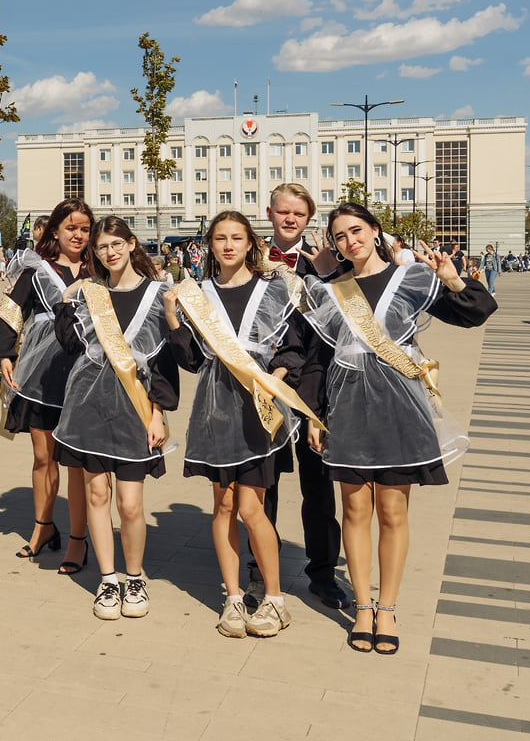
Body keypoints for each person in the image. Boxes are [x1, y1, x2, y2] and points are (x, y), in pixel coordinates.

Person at [304, 203, 496, 654]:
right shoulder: (329, 290)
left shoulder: (411, 278)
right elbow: (315, 359)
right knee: (354, 511)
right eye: (341, 236)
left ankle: (387, 607)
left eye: (357, 231)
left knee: (392, 511)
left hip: (398, 405)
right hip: (347, 405)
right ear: (335, 245)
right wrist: (314, 414)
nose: (350, 241)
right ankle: (363, 605)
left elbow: (475, 312)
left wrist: (451, 276)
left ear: (375, 231)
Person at [164, 211, 310, 639]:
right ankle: (232, 598)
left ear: (251, 244)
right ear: (209, 245)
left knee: (251, 507)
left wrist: (274, 380)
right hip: (215, 407)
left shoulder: (275, 288)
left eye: (236, 238)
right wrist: (173, 315)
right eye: (220, 239)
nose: (228, 246)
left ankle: (275, 599)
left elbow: (294, 346)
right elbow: (191, 360)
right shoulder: (197, 294)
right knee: (224, 504)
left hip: (258, 405)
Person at [52, 217, 177, 620]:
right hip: (90, 405)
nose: (110, 252)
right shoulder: (93, 294)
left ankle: (135, 577)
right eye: (102, 247)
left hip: (135, 410)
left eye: (116, 244)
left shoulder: (157, 295)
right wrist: (67, 298)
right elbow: (71, 344)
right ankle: (108, 580)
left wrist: (157, 414)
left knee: (130, 503)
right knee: (97, 495)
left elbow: (164, 364)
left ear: (131, 243)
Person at [243, 184, 350, 611]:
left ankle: (322, 574)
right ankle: (258, 572)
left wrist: (330, 275)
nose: (290, 219)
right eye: (283, 212)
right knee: (261, 481)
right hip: (263, 379)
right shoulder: (250, 259)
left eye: (298, 214)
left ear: (309, 219)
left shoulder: (326, 263)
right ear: (269, 213)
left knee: (319, 485)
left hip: (314, 383)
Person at [0, 199, 93, 572]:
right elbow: (11, 309)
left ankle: (80, 539)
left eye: (83, 228)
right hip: (41, 374)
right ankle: (44, 527)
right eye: (70, 228)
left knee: (78, 463)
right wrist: (3, 352)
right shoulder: (37, 270)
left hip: (86, 372)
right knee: (43, 456)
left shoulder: (99, 269)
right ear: (55, 231)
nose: (77, 235)